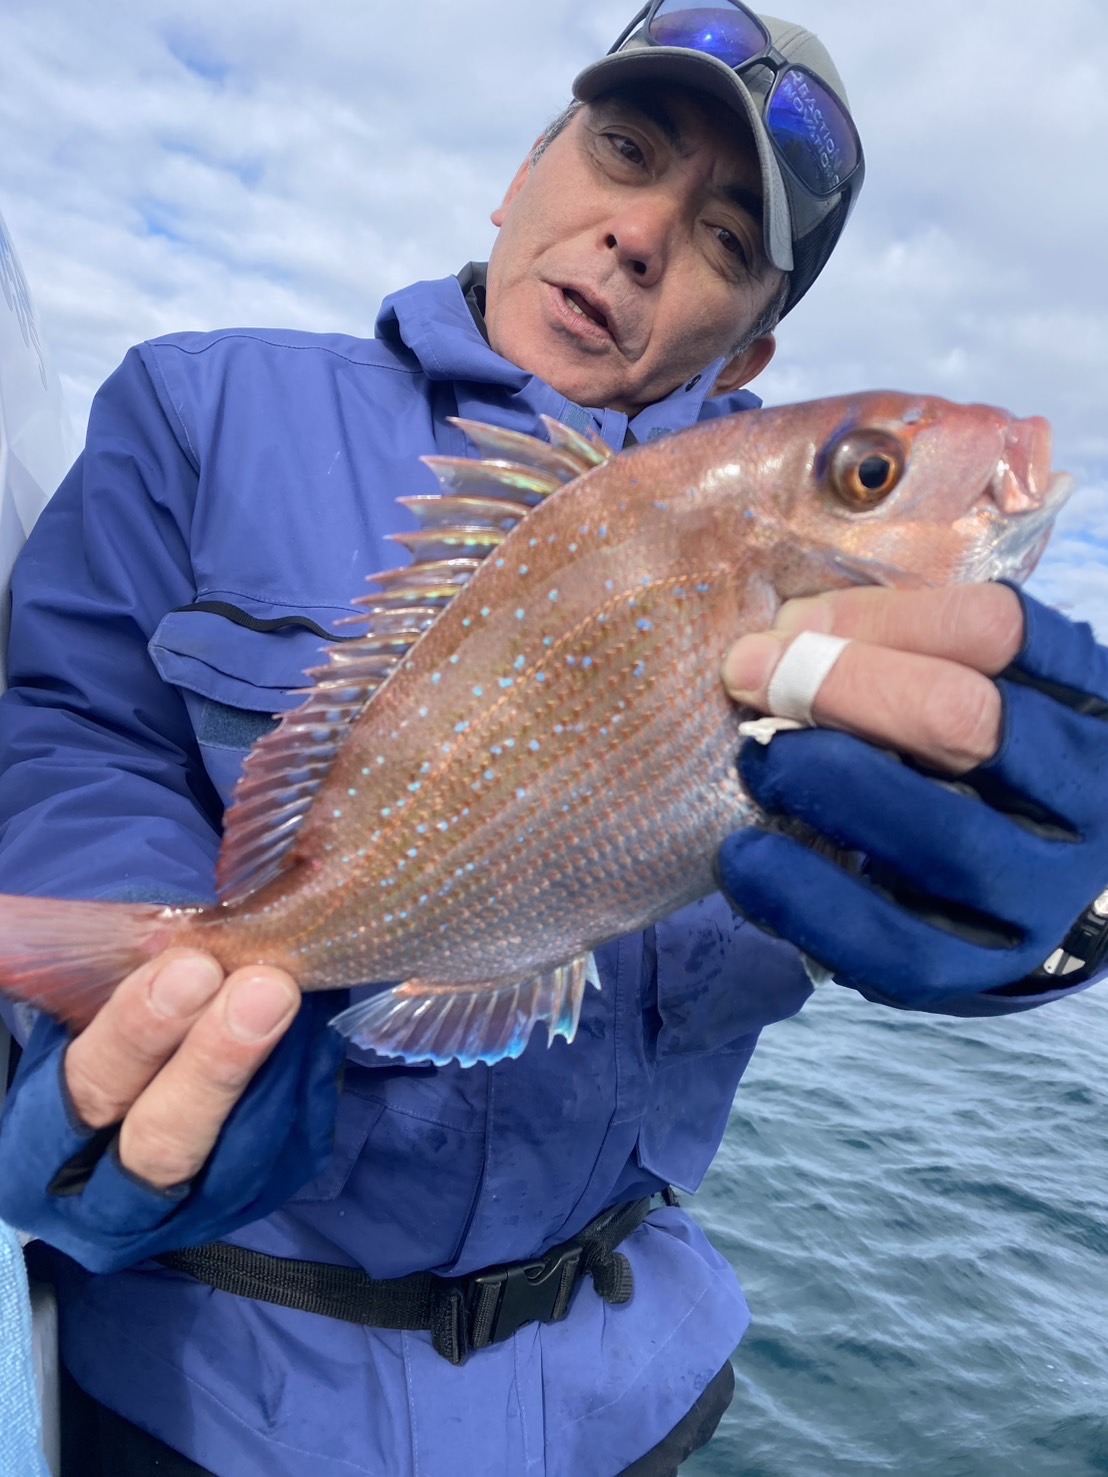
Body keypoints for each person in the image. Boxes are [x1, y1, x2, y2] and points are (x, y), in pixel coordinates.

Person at [1, 4, 1107, 1474]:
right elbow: (69, 735)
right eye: (625, 151)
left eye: (724, 238)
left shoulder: (852, 621)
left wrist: (1055, 915)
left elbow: (902, 891)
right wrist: (168, 1031)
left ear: (753, 343)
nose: (639, 235)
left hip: (622, 1408)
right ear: (524, 172)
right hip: (213, 1398)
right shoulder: (201, 406)